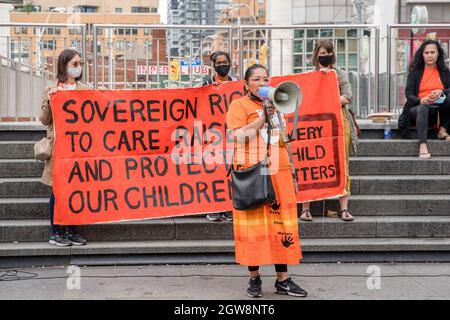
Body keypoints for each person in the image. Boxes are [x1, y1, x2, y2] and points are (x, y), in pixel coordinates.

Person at [226, 64, 307, 298]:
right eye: (257, 79)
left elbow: (284, 141)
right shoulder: (238, 105)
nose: (263, 83)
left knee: (281, 225)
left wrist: (292, 170)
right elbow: (238, 137)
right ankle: (254, 277)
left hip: (278, 171)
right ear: (246, 83)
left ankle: (283, 279)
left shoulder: (277, 108)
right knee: (253, 227)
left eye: (266, 79)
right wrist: (261, 118)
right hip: (252, 172)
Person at [299, 39, 358, 222]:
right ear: (316, 56)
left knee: (343, 163)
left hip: (340, 122)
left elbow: (348, 97)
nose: (325, 56)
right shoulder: (309, 77)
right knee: (310, 164)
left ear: (333, 54)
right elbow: (305, 100)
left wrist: (325, 97)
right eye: (321, 54)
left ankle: (344, 208)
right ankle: (305, 208)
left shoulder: (340, 75)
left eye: (327, 53)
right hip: (316, 125)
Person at [40, 48, 90, 246]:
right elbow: (44, 120)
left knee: (76, 189)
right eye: (74, 64)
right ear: (64, 66)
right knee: (58, 190)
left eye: (80, 64)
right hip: (60, 149)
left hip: (79, 148)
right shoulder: (51, 90)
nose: (78, 68)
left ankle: (71, 231)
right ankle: (55, 232)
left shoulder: (85, 89)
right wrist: (50, 100)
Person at [398, 39, 450, 159]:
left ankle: (442, 130)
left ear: (438, 54)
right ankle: (423, 145)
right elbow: (409, 93)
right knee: (422, 108)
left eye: (433, 52)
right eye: (426, 53)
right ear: (422, 55)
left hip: (439, 110)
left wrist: (442, 91)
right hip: (417, 108)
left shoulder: (445, 71)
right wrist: (421, 100)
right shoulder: (415, 72)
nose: (430, 55)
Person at [203, 51, 237, 222]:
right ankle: (215, 208)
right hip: (214, 135)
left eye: (226, 62)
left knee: (233, 171)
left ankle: (231, 207)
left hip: (232, 133)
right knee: (215, 171)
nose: (223, 65)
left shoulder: (238, 84)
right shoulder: (207, 84)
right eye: (219, 63)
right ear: (214, 65)